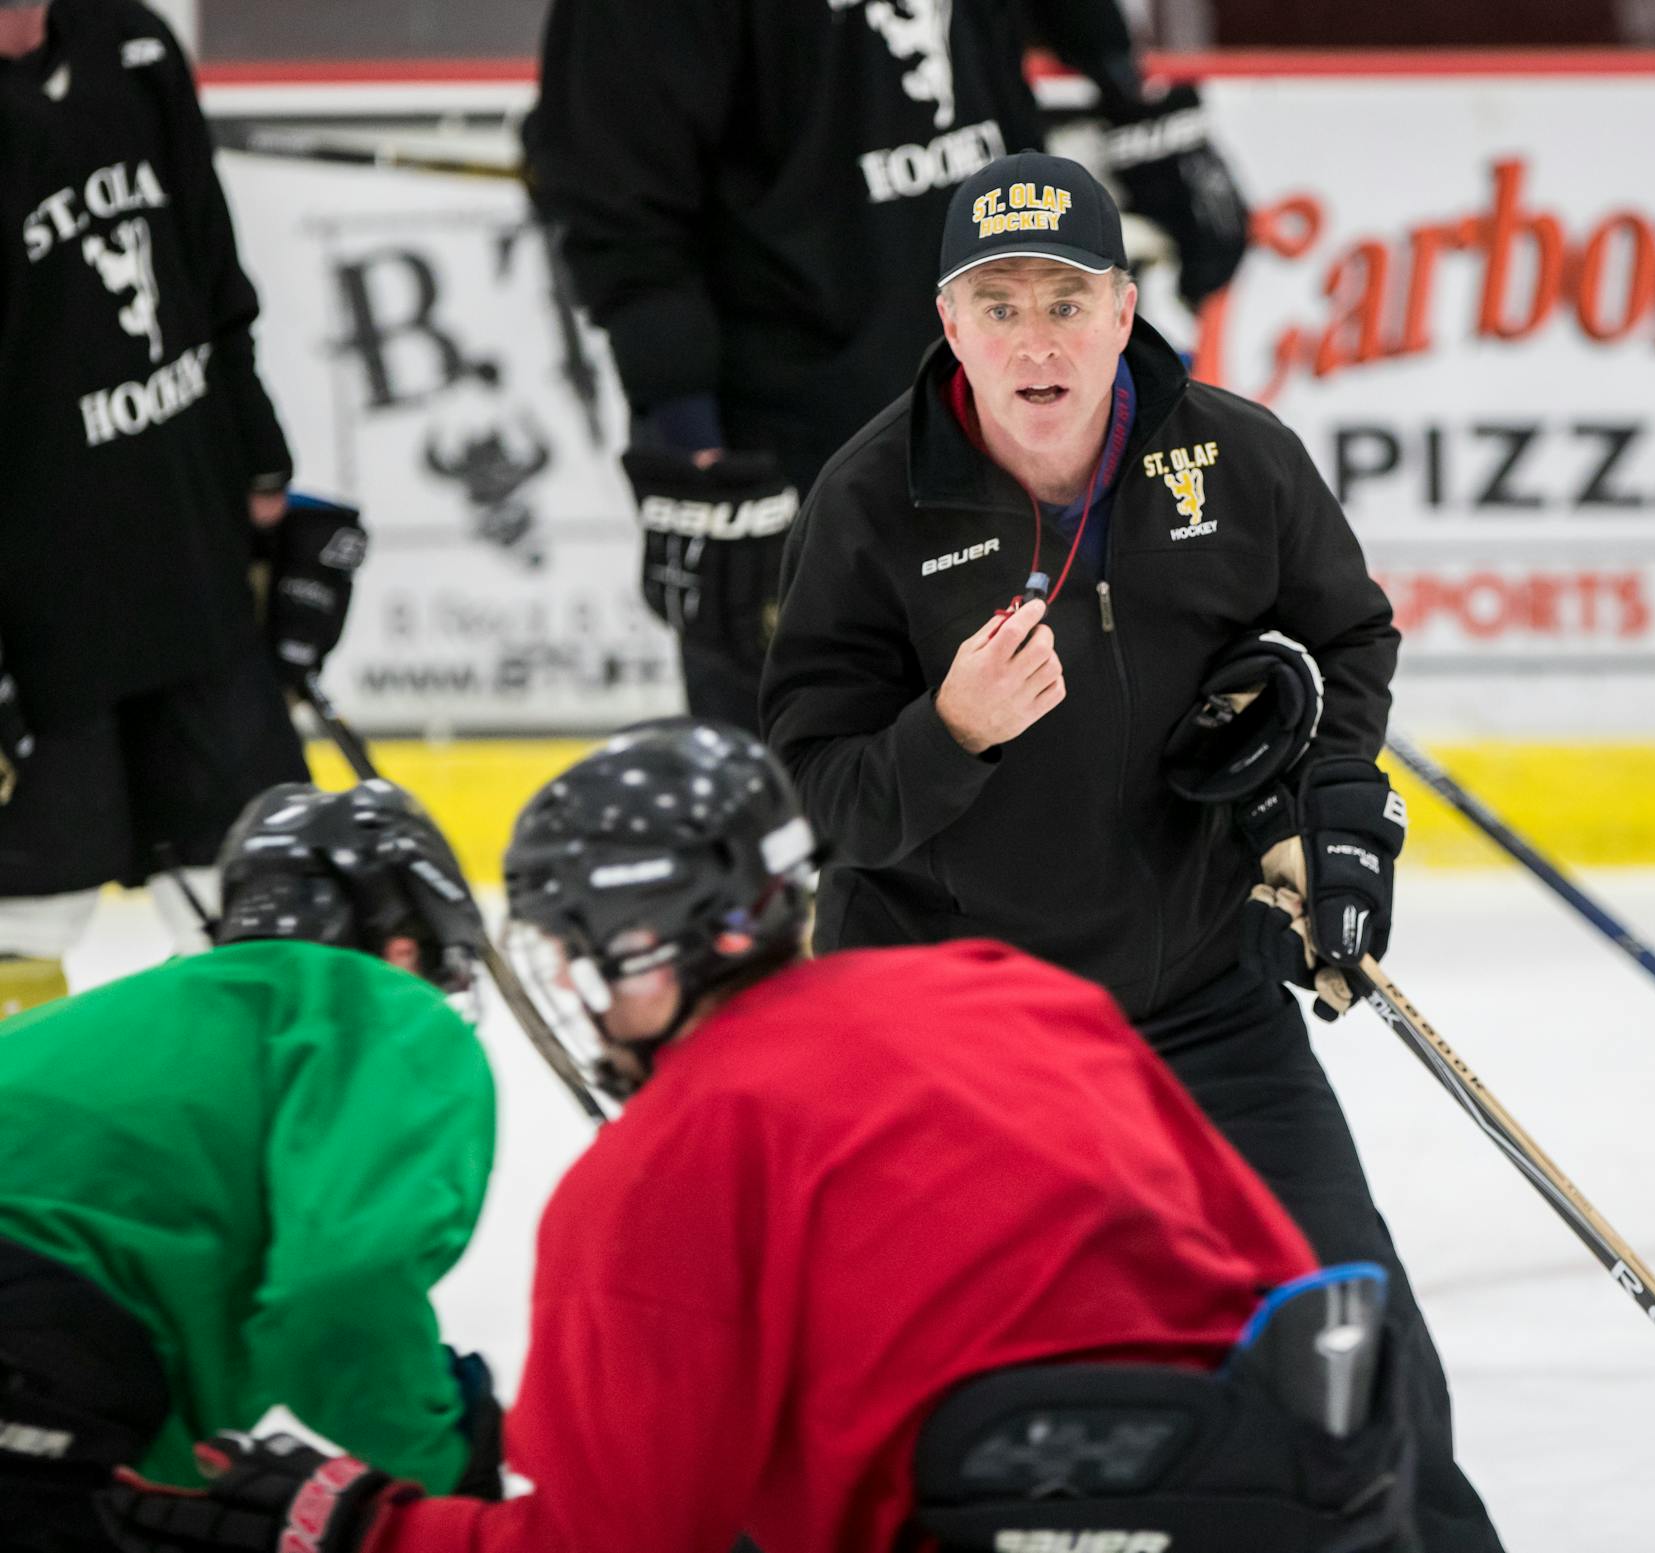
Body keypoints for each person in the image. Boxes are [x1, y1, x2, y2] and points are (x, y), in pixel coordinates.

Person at [98, 720, 1411, 1553]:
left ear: (633, 946)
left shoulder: (659, 1163)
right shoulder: (1007, 990)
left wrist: (357, 1525)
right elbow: (1264, 1262)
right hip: (1288, 1491)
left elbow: (614, 1543)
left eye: (571, 946)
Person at [758, 151, 1503, 1551]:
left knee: (1358, 1341)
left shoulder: (1235, 458)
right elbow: (823, 795)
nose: (1034, 340)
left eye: (1064, 301)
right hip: (947, 1040)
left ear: (1122, 309)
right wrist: (950, 734)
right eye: (998, 306)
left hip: (1198, 1003)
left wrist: (1319, 807)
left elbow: (1345, 639)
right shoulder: (867, 504)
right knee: (871, 1399)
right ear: (949, 324)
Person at [521, 0, 1252, 731]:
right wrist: (693, 447)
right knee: (810, 770)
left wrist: (1131, 93)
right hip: (802, 442)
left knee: (1061, 754)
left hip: (1010, 416)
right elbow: (617, 196)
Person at [0, 780, 502, 1553]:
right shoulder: (383, 1009)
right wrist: (438, 1479)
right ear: (406, 946)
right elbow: (340, 1288)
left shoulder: (116, 1016)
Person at [0, 0, 355, 1015]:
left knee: (257, 894)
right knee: (22, 915)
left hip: (189, 565)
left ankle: (242, 1112)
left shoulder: (133, 46)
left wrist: (263, 472)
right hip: (36, 614)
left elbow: (210, 277)